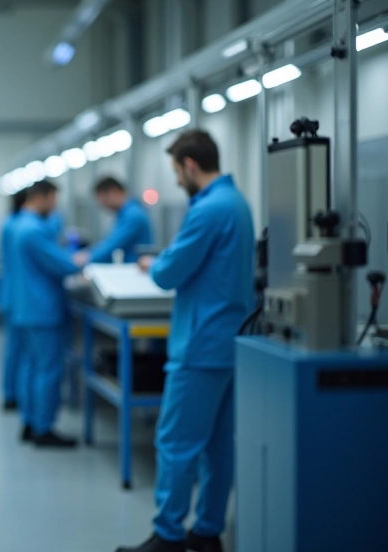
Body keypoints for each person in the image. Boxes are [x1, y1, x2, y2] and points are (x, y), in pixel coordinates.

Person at [117, 130, 254, 552]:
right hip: (231, 342)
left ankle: (169, 536)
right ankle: (209, 531)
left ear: (190, 165)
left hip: (199, 345)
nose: (177, 180)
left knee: (175, 443)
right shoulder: (238, 204)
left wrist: (153, 264)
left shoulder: (208, 209)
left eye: (177, 171)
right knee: (216, 447)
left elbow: (168, 273)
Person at [7, 179, 83, 448]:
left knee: (31, 366)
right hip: (42, 310)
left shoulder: (18, 225)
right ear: (43, 197)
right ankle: (43, 428)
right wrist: (80, 259)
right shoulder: (34, 230)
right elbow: (63, 264)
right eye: (54, 200)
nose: (55, 207)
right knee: (48, 369)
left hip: (25, 307)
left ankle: (30, 422)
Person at [72, 176, 153, 267]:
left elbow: (112, 245)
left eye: (104, 201)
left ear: (114, 192)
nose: (104, 206)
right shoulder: (126, 213)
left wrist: (87, 257)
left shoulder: (132, 216)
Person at [0, 188, 28, 411]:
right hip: (23, 297)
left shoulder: (9, 223)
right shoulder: (24, 226)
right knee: (22, 352)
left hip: (13, 293)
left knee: (14, 349)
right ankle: (14, 395)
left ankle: (11, 394)